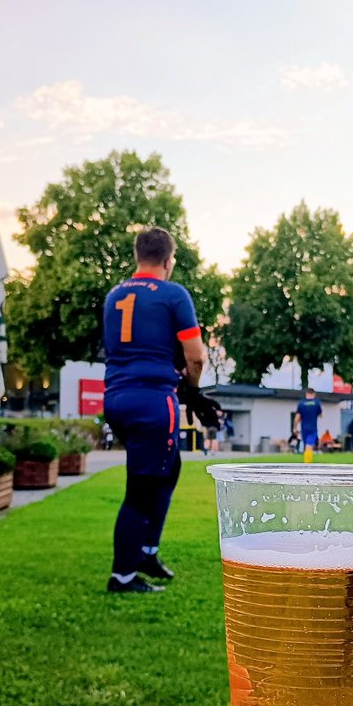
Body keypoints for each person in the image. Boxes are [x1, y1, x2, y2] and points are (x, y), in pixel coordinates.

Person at [102, 227, 218, 594]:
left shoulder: (114, 295)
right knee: (141, 489)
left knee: (170, 468)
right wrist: (193, 390)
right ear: (168, 260)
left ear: (138, 256)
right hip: (152, 400)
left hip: (116, 397)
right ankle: (124, 575)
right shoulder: (172, 294)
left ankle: (147, 552)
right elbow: (196, 356)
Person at [294, 389, 323, 460]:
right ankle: (307, 463)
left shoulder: (301, 403)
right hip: (312, 428)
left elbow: (297, 418)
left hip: (304, 428)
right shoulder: (316, 403)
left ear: (306, 394)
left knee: (306, 445)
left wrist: (295, 428)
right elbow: (320, 415)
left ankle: (307, 461)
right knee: (309, 445)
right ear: (314, 394)